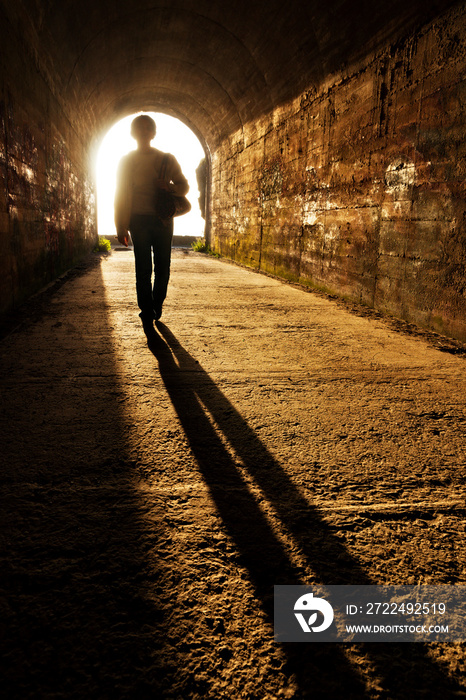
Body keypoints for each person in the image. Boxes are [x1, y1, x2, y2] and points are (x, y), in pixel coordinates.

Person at [114, 114, 189, 333]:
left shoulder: (166, 158)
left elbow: (184, 186)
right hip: (137, 220)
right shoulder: (126, 161)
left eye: (148, 128)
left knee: (163, 267)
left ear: (154, 133)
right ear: (133, 133)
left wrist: (169, 186)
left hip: (163, 220)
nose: (144, 132)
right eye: (140, 128)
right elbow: (119, 194)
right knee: (143, 268)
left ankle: (157, 304)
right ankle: (146, 310)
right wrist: (120, 226)